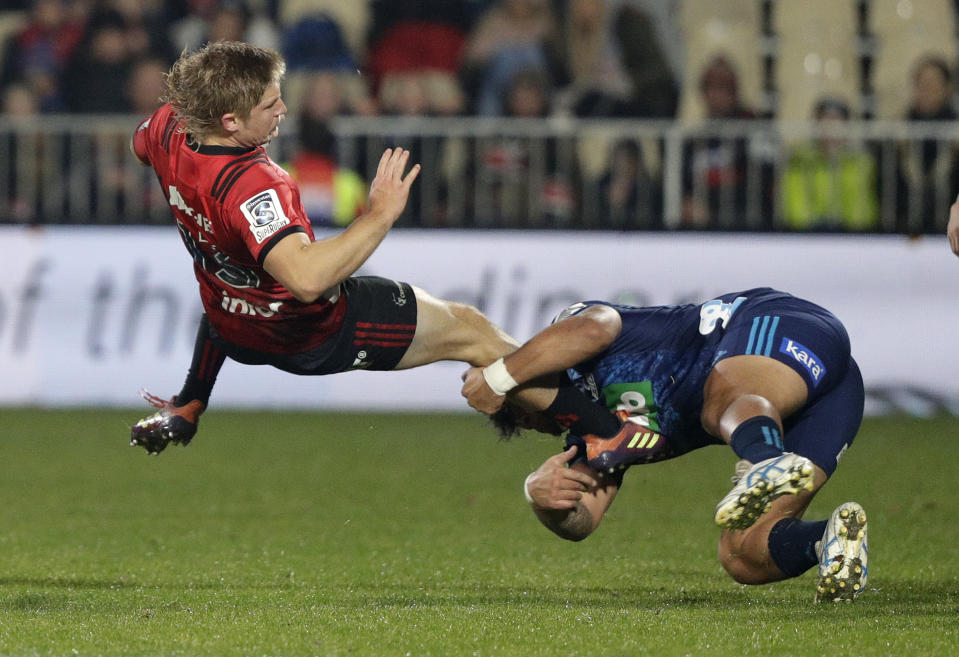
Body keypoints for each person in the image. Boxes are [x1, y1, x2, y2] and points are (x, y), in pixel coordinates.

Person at [129, 41, 632, 456]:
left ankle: (189, 404)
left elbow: (139, 143)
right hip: (311, 335)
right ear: (231, 121)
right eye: (268, 105)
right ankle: (604, 432)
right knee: (471, 332)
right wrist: (380, 215)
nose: (283, 109)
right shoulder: (254, 184)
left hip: (232, 329)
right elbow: (305, 280)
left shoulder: (169, 129)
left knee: (225, 280)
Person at [461, 287, 868, 602]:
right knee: (742, 554)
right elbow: (584, 518)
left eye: (527, 412)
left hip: (779, 325)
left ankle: (763, 460)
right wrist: (545, 502)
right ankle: (828, 541)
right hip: (827, 401)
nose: (541, 425)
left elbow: (595, 325)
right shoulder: (592, 437)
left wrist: (499, 375)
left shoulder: (572, 350)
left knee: (718, 403)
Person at [782, 97, 878, 232]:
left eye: (836, 123)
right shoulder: (799, 161)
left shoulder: (859, 163)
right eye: (825, 122)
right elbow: (795, 205)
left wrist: (855, 234)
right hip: (807, 237)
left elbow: (861, 207)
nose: (830, 130)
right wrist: (807, 232)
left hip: (850, 238)